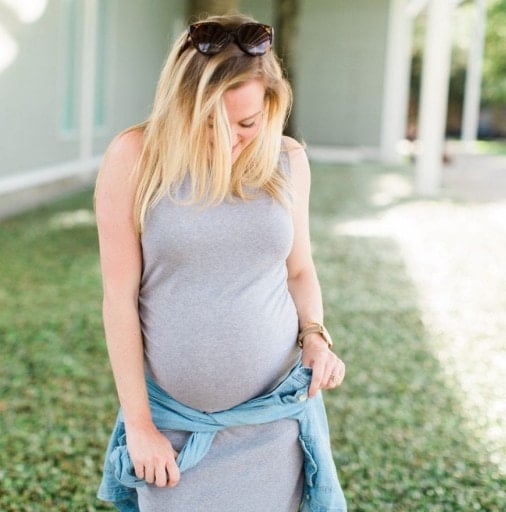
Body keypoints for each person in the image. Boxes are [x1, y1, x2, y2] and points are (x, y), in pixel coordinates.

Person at [94, 13, 346, 512]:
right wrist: (140, 428)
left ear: (271, 107)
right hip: (176, 428)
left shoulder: (288, 159)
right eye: (209, 121)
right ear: (180, 104)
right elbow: (119, 300)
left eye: (247, 123)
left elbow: (298, 270)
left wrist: (316, 336)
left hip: (274, 422)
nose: (229, 139)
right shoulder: (135, 157)